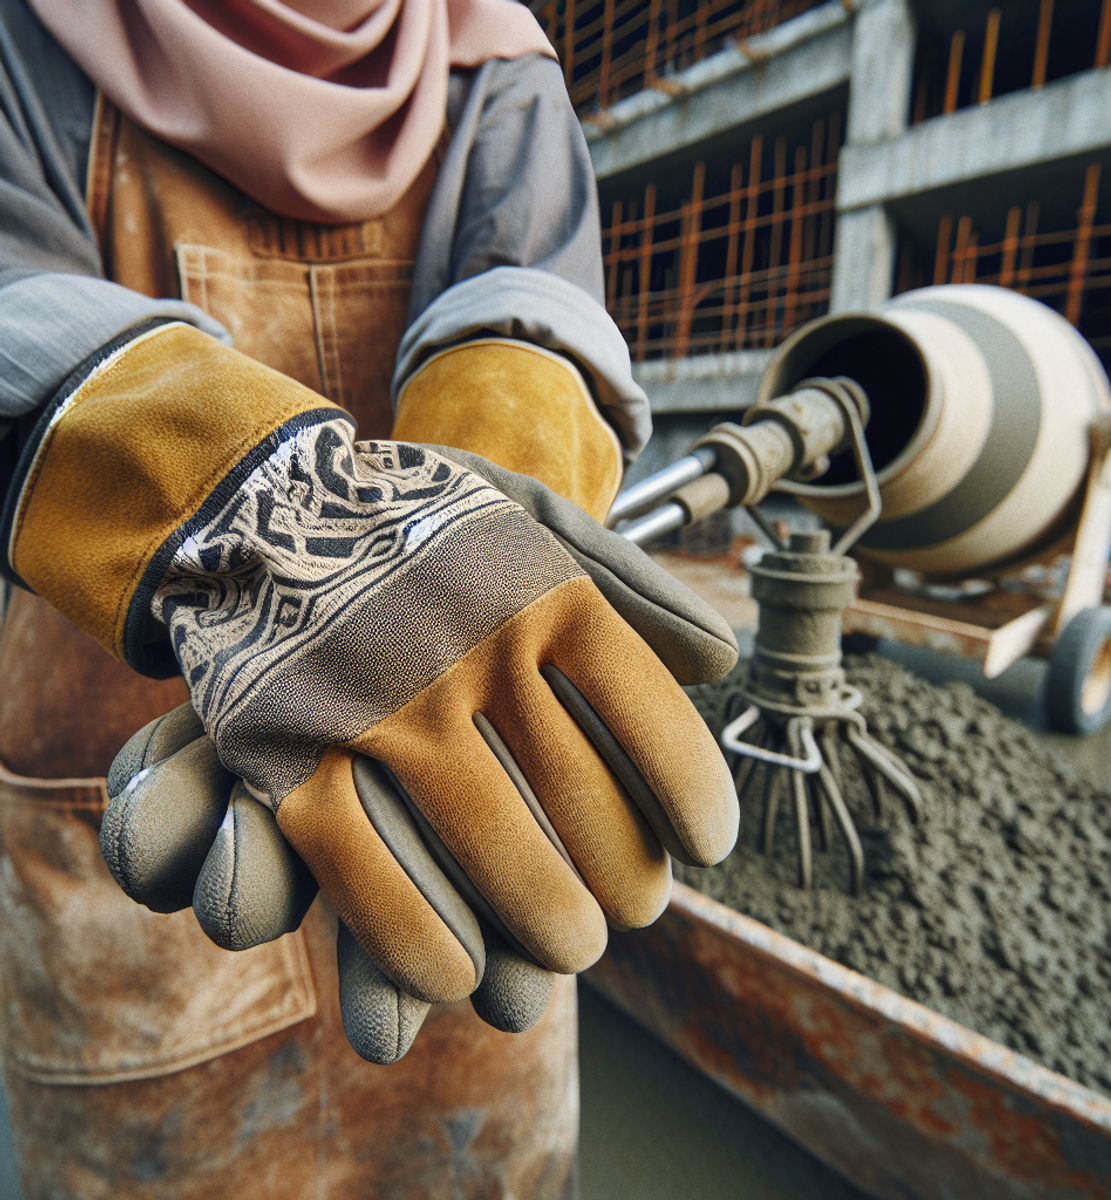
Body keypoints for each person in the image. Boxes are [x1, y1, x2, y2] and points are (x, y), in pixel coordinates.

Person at [0, 0, 740, 1195]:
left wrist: (460, 558)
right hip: (138, 859)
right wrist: (255, 510)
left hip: (463, 818)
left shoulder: (496, 60)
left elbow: (528, 317)